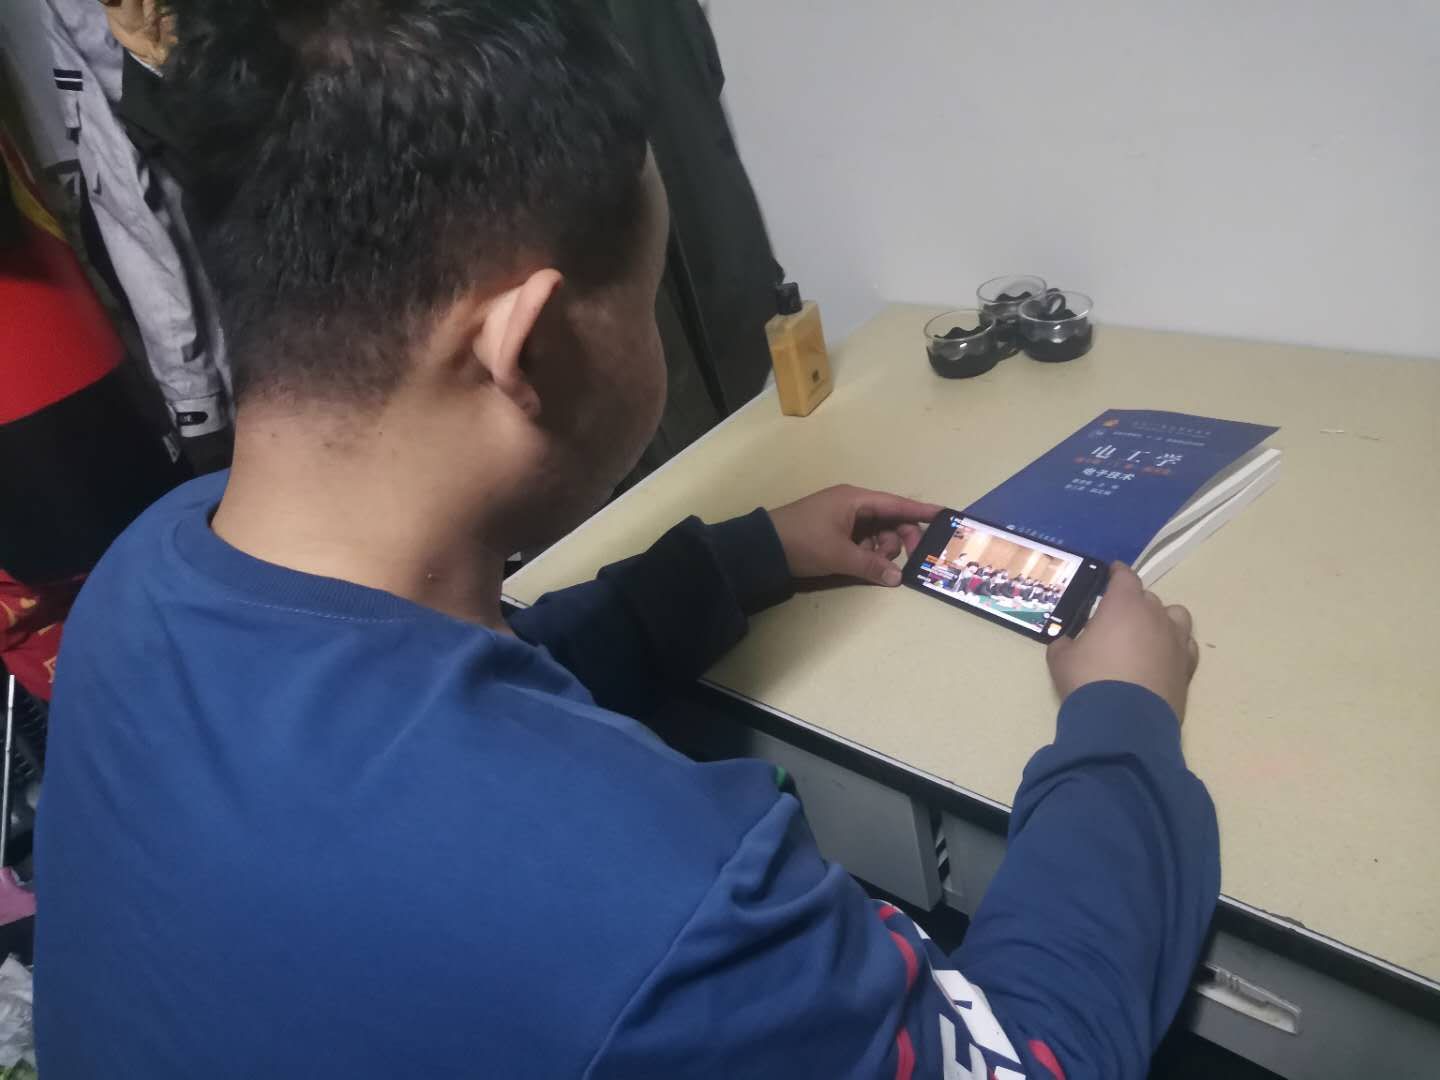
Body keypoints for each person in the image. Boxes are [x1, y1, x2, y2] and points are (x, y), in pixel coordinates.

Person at [36, 3, 1219, 1078]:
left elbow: (417, 702)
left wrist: (745, 560)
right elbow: (1031, 1060)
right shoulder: (669, 913)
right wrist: (1121, 720)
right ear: (531, 346)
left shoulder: (145, 578)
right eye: (648, 292)